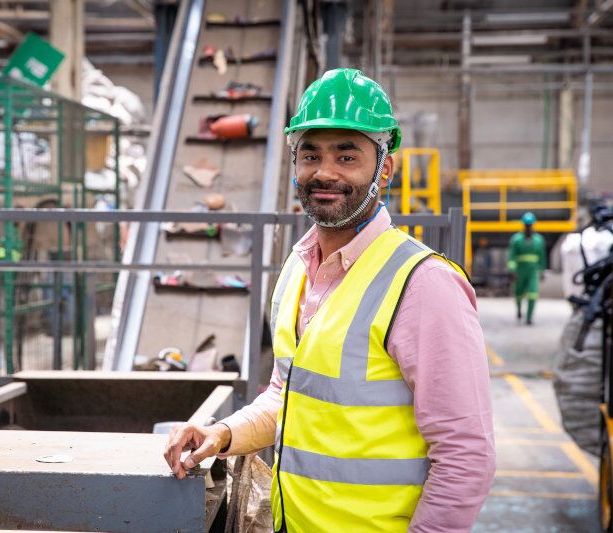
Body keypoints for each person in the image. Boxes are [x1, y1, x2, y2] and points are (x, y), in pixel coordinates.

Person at [164, 69, 495, 532]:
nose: (324, 172)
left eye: (347, 155)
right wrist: (222, 434)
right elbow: (290, 396)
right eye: (310, 155)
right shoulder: (298, 268)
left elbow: (466, 456)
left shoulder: (424, 285)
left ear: (385, 168)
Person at [507, 211, 546, 325]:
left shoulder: (539, 240)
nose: (528, 227)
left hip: (533, 270)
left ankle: (529, 317)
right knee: (518, 291)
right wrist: (512, 270)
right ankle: (519, 310)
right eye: (526, 225)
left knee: (533, 292)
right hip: (520, 269)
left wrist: (542, 270)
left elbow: (542, 257)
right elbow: (512, 256)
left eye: (530, 225)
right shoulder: (516, 239)